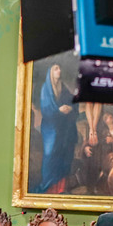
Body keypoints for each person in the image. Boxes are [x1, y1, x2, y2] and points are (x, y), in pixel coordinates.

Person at [39, 63, 78, 193]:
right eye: (56, 69)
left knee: (64, 155)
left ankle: (60, 189)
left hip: (63, 129)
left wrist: (70, 108)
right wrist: (58, 110)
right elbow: (46, 110)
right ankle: (48, 187)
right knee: (50, 154)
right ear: (50, 72)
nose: (59, 71)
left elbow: (73, 103)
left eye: (60, 68)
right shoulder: (46, 88)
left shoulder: (63, 88)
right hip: (51, 130)